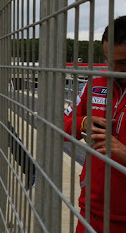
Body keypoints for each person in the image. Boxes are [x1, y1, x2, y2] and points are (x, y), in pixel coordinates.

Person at [64, 16, 126, 232]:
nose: (114, 71)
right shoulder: (95, 84)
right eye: (110, 61)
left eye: (124, 63)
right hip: (90, 211)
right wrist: (83, 122)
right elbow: (59, 125)